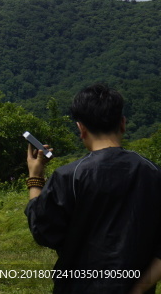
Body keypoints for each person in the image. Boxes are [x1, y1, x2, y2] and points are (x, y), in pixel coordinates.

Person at [25, 83, 161, 294]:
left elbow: (43, 231)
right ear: (123, 124)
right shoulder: (153, 173)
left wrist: (35, 177)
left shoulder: (69, 176)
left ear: (81, 129)